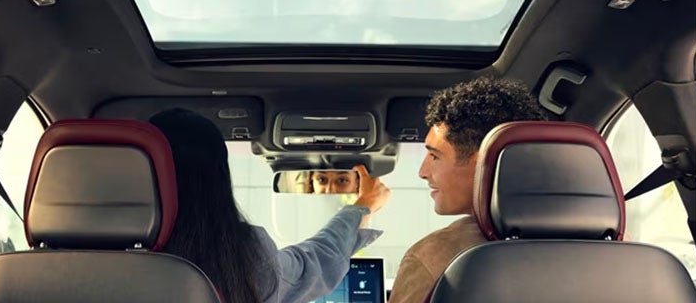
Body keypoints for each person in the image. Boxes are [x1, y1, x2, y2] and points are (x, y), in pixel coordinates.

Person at [149, 108, 391, 303]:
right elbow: (314, 264)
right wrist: (364, 205)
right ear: (219, 180)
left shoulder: (113, 262)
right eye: (322, 180)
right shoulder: (243, 256)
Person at [389, 77, 547, 303]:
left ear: (482, 162)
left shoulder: (434, 258)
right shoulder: (610, 255)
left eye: (434, 156)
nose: (422, 172)